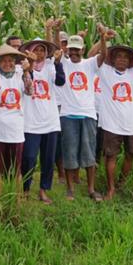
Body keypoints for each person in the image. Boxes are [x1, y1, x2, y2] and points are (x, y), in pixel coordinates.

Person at [95, 27, 133, 200]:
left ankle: (121, 183)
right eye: (118, 56)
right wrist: (103, 40)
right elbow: (92, 57)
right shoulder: (105, 71)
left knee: (131, 154)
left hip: (132, 124)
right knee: (111, 155)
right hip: (111, 123)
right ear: (112, 58)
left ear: (130, 61)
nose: (121, 59)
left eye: (125, 57)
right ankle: (111, 188)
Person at [20, 23, 63, 203]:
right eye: (36, 50)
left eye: (42, 50)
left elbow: (60, 82)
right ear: (29, 51)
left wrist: (59, 63)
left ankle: (44, 189)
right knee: (29, 157)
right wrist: (28, 66)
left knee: (48, 159)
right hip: (30, 122)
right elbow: (26, 83)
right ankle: (26, 187)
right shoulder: (23, 68)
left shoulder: (51, 67)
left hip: (50, 122)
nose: (39, 53)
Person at [57, 32, 102, 201]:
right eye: (71, 49)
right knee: (69, 152)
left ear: (83, 49)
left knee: (89, 152)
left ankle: (91, 189)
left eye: (77, 49)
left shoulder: (90, 64)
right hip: (68, 114)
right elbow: (55, 48)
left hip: (88, 114)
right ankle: (70, 189)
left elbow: (103, 56)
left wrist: (103, 39)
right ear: (67, 50)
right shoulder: (64, 63)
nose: (74, 52)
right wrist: (55, 31)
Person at [0, 41, 29, 189]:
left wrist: (27, 71)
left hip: (15, 130)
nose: (8, 64)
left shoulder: (20, 75)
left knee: (16, 169)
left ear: (15, 62)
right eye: (4, 61)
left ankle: (16, 201)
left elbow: (30, 90)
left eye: (11, 61)